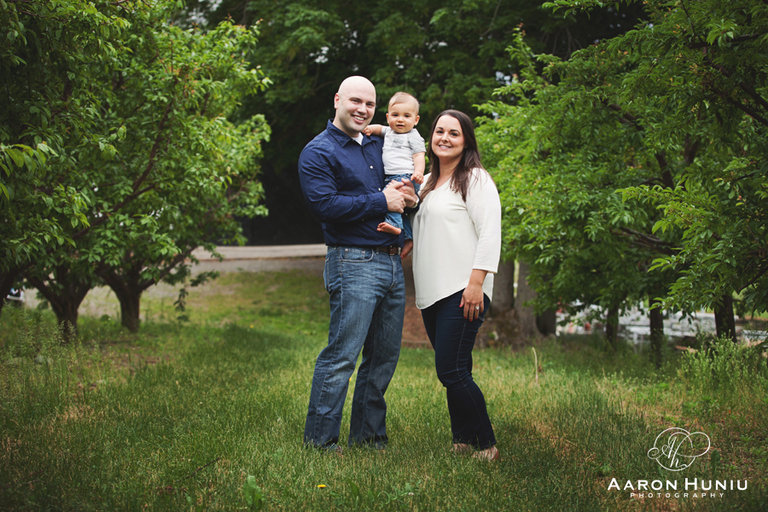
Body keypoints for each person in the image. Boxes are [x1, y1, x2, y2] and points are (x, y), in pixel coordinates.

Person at [298, 76, 419, 452]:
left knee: (383, 357)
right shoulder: (318, 152)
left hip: (391, 261)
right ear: (337, 100)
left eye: (369, 103)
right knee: (342, 355)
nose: (361, 109)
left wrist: (407, 203)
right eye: (355, 101)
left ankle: (369, 439)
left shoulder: (378, 143)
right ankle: (320, 442)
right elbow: (325, 207)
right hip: (352, 260)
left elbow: (402, 178)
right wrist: (381, 201)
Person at [410, 109, 502, 461]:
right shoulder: (430, 180)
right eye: (439, 132)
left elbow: (490, 233)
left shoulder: (475, 179)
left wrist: (476, 282)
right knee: (458, 369)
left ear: (466, 141)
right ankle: (462, 440)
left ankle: (486, 445)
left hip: (463, 289)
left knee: (449, 370)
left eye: (454, 133)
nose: (444, 138)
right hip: (433, 290)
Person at [363, 92, 425, 239]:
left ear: (416, 120)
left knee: (389, 199)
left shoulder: (413, 136)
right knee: (400, 206)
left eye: (406, 116)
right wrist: (370, 129)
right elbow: (379, 128)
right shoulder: (389, 131)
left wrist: (419, 172)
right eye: (395, 115)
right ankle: (408, 237)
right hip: (391, 176)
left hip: (405, 176)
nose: (400, 120)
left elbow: (419, 156)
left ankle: (394, 225)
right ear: (388, 117)